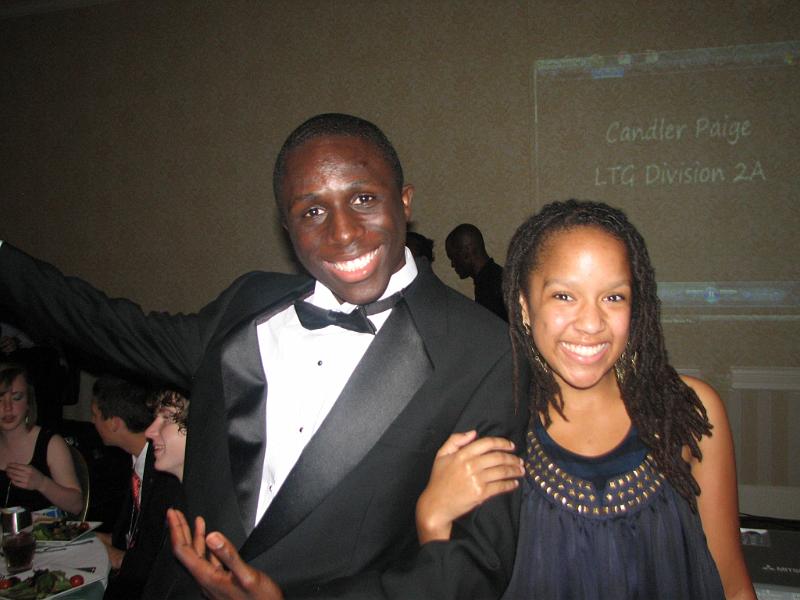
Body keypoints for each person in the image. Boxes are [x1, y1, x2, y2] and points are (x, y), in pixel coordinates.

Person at [0, 113, 523, 599]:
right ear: (287, 226)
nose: (343, 233)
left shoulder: (481, 350)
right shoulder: (247, 304)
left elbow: (475, 564)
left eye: (364, 199)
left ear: (404, 202)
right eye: (312, 211)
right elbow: (103, 323)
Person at [417, 200, 755, 599]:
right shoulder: (495, 426)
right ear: (524, 307)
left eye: (613, 298)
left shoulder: (686, 410)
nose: (591, 323)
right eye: (564, 296)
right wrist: (433, 523)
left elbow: (731, 583)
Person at [90, 376, 182, 600]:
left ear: (114, 423)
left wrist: (116, 556)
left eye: (94, 415)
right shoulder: (136, 462)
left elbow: (149, 561)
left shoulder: (165, 475)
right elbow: (129, 535)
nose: (91, 422)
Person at [0, 365, 83, 514]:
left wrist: (42, 483)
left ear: (28, 403)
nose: (8, 407)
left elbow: (76, 506)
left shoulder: (50, 443)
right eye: (0, 399)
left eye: (16, 397)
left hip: (42, 534)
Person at [445, 223, 507, 321]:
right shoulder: (493, 278)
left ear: (466, 252)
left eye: (453, 257)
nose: (452, 264)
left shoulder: (489, 286)